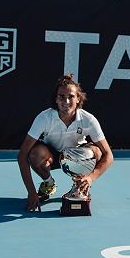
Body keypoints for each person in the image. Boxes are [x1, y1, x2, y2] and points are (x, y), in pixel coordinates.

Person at [17, 74, 114, 212]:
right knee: (35, 154)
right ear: (56, 99)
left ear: (78, 98)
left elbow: (108, 155)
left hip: (77, 159)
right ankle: (49, 183)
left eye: (71, 96)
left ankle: (79, 186)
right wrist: (31, 192)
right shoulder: (44, 118)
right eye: (61, 96)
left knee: (97, 152)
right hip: (51, 157)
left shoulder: (89, 120)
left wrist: (91, 178)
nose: (66, 101)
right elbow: (22, 155)